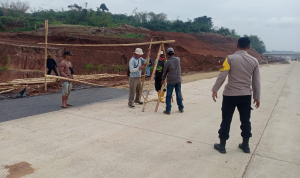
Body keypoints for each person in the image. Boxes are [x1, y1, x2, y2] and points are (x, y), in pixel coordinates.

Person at [212, 37, 261, 154]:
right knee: (245, 120)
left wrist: (215, 89)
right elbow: (256, 81)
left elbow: (222, 75)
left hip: (230, 95)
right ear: (249, 47)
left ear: (236, 45)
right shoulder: (254, 61)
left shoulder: (230, 58)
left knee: (226, 119)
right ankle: (245, 145)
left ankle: (222, 145)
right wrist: (257, 96)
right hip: (245, 95)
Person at [162, 47, 184, 115]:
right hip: (178, 80)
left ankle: (168, 110)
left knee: (169, 95)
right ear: (173, 53)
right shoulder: (178, 59)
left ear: (167, 54)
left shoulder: (167, 62)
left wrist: (162, 80)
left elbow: (164, 72)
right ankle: (181, 108)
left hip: (171, 81)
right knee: (178, 94)